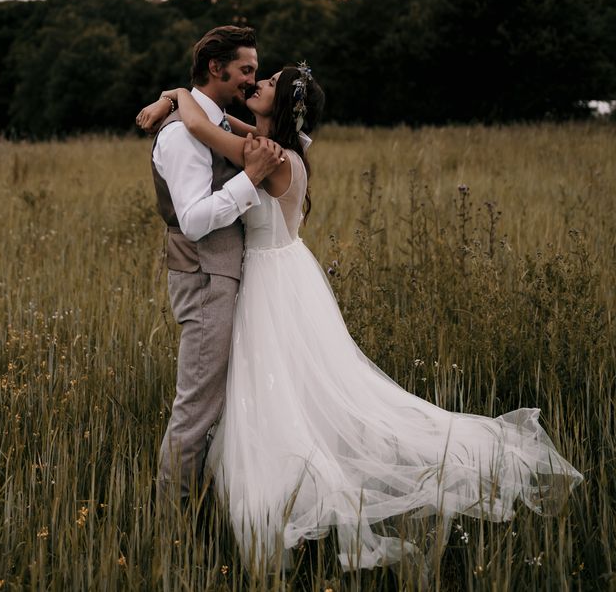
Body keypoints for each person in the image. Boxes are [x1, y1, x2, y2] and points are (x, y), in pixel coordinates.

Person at [138, 63, 583, 574]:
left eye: (267, 83)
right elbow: (217, 122)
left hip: (268, 278)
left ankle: (282, 504)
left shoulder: (269, 154)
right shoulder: (273, 143)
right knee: (289, 391)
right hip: (285, 272)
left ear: (279, 104)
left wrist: (174, 95)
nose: (255, 85)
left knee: (273, 393)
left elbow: (199, 126)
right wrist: (176, 96)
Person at [142, 25, 285, 503]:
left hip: (222, 275)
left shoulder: (216, 121)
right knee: (197, 408)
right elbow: (196, 220)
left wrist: (173, 94)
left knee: (218, 404)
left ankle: (207, 501)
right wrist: (249, 180)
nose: (251, 80)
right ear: (215, 69)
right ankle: (170, 523)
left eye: (257, 73)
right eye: (246, 70)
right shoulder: (183, 134)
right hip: (204, 277)